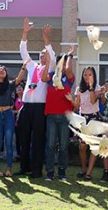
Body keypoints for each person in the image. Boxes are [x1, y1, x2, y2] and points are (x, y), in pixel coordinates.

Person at [15, 18, 56, 178]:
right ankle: (24, 167)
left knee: (38, 140)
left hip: (40, 108)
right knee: (23, 138)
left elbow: (52, 53)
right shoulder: (32, 66)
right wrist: (25, 33)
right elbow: (22, 51)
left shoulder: (50, 68)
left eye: (45, 54)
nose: (43, 56)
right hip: (26, 107)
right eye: (41, 54)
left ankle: (37, 170)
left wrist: (46, 38)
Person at [0, 59, 27, 177]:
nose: (1, 71)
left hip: (8, 115)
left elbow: (19, 79)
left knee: (9, 143)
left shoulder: (10, 85)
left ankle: (8, 169)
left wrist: (24, 67)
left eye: (3, 70)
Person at [42, 46, 75, 181]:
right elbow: (43, 78)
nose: (62, 63)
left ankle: (62, 171)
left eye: (64, 61)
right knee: (50, 145)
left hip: (65, 115)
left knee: (63, 145)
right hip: (51, 114)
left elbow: (68, 69)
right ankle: (50, 171)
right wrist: (49, 62)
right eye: (60, 61)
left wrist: (69, 56)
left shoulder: (69, 78)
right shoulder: (51, 76)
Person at [69, 66, 101, 180]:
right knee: (82, 147)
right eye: (85, 75)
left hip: (93, 117)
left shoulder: (97, 87)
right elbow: (77, 106)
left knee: (93, 146)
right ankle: (84, 169)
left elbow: (93, 101)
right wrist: (71, 100)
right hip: (83, 118)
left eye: (90, 74)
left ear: (94, 76)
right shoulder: (79, 89)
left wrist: (91, 87)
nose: (87, 77)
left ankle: (89, 173)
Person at [13, 82, 24, 160]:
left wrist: (17, 111)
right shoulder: (14, 100)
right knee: (18, 139)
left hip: (25, 122)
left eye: (21, 87)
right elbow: (12, 110)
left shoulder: (26, 99)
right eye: (18, 88)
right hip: (17, 122)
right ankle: (18, 154)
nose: (19, 88)